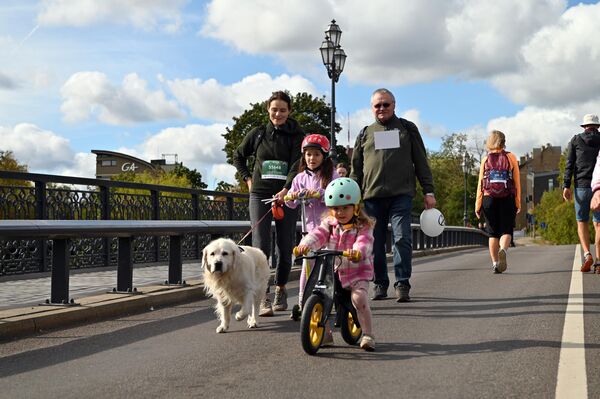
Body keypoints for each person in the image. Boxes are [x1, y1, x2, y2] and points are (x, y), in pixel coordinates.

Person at [350, 88, 435, 302]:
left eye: (386, 104)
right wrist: (351, 196)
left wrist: (429, 190)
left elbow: (421, 161)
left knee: (402, 239)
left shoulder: (406, 128)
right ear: (372, 108)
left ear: (394, 105)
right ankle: (380, 283)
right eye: (377, 105)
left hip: (401, 195)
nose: (382, 108)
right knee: (375, 244)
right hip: (371, 198)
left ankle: (402, 282)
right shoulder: (365, 133)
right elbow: (356, 169)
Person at [233, 91, 304, 316]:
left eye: (283, 110)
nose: (278, 114)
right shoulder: (258, 133)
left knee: (284, 246)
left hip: (287, 195)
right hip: (260, 194)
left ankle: (280, 289)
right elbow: (238, 155)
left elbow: (297, 164)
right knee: (259, 247)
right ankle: (261, 295)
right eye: (274, 109)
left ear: (289, 111)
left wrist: (287, 188)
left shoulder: (297, 135)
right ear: (268, 110)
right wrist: (247, 179)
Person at [295, 177, 376, 351]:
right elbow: (317, 234)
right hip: (334, 271)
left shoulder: (363, 226)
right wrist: (305, 245)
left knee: (358, 298)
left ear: (355, 207)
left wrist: (358, 252)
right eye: (335, 209)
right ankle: (324, 334)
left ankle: (368, 335)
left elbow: (364, 242)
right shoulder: (330, 225)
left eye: (345, 207)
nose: (340, 212)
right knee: (320, 296)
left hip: (357, 272)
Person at [285, 134, 338, 310]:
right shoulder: (299, 178)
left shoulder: (332, 174)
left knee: (331, 264)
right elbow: (290, 204)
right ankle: (303, 300)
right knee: (308, 262)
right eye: (308, 154)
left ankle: (333, 298)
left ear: (324, 156)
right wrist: (290, 196)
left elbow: (337, 197)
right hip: (309, 230)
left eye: (316, 154)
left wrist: (320, 193)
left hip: (329, 229)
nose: (311, 158)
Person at [475, 130, 521, 273]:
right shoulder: (511, 157)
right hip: (507, 197)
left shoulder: (485, 159)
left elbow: (480, 185)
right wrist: (517, 202)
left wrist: (478, 205)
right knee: (506, 230)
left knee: (492, 233)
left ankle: (495, 263)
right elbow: (517, 182)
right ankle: (503, 249)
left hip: (489, 198)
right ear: (503, 142)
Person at [563, 114, 600, 272]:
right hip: (598, 188)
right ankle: (599, 259)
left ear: (584, 126)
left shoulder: (576, 140)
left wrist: (566, 185)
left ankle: (587, 254)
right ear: (597, 126)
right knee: (598, 224)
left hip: (581, 187)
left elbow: (569, 163)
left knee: (581, 221)